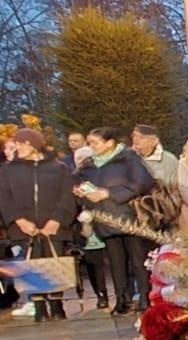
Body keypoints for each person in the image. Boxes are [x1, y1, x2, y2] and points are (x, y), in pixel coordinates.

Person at [74, 128, 156, 314]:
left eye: (95, 143)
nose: (91, 147)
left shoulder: (129, 159)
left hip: (130, 216)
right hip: (105, 217)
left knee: (137, 260)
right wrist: (81, 192)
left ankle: (145, 296)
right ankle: (121, 298)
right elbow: (79, 182)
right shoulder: (89, 166)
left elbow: (141, 183)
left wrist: (109, 193)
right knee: (116, 262)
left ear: (109, 143)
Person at [1, 129, 75, 320]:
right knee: (31, 264)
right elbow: (4, 199)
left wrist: (57, 220)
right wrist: (19, 220)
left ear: (32, 144)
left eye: (21, 143)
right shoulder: (7, 170)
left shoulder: (59, 168)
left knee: (54, 263)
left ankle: (57, 305)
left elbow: (66, 197)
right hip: (23, 227)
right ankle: (39, 308)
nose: (17, 148)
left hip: (54, 226)